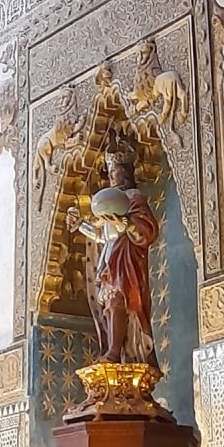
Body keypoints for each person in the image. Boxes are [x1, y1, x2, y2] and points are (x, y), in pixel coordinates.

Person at [67, 144, 160, 373]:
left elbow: (146, 232)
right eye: (109, 169)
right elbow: (102, 235)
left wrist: (125, 223)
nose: (110, 174)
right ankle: (112, 350)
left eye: (114, 169)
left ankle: (114, 351)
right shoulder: (110, 203)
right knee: (109, 304)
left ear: (125, 171)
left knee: (120, 300)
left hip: (126, 261)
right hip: (111, 258)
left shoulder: (132, 198)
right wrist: (81, 225)